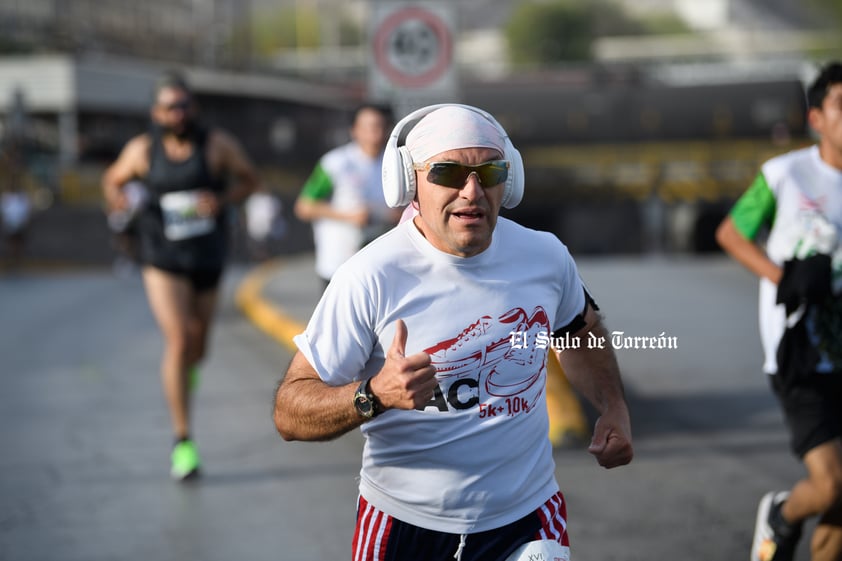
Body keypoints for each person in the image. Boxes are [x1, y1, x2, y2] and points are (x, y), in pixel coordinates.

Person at [273, 104, 633, 561]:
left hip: (527, 519)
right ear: (410, 182)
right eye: (448, 172)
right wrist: (372, 395)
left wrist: (613, 406)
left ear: (511, 178)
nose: (472, 191)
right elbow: (289, 411)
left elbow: (579, 330)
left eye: (489, 171)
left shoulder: (545, 256)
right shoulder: (370, 275)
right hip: (404, 528)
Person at [102, 71, 259, 481]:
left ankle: (184, 372)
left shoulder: (216, 145)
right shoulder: (142, 150)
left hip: (207, 255)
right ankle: (183, 441)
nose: (179, 113)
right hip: (161, 256)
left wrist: (221, 199)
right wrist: (117, 199)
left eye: (185, 104)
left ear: (195, 107)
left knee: (198, 349)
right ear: (157, 112)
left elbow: (251, 180)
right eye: (170, 106)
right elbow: (112, 179)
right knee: (178, 340)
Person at [716, 61, 842, 561]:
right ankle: (783, 513)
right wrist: (784, 278)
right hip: (801, 353)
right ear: (817, 117)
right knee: (831, 485)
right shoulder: (787, 174)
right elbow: (731, 233)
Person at [293, 103, 401, 290]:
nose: (376, 132)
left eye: (381, 126)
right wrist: (349, 216)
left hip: (380, 264)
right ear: (354, 130)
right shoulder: (335, 163)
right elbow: (304, 206)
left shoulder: (397, 164)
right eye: (369, 126)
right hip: (338, 264)